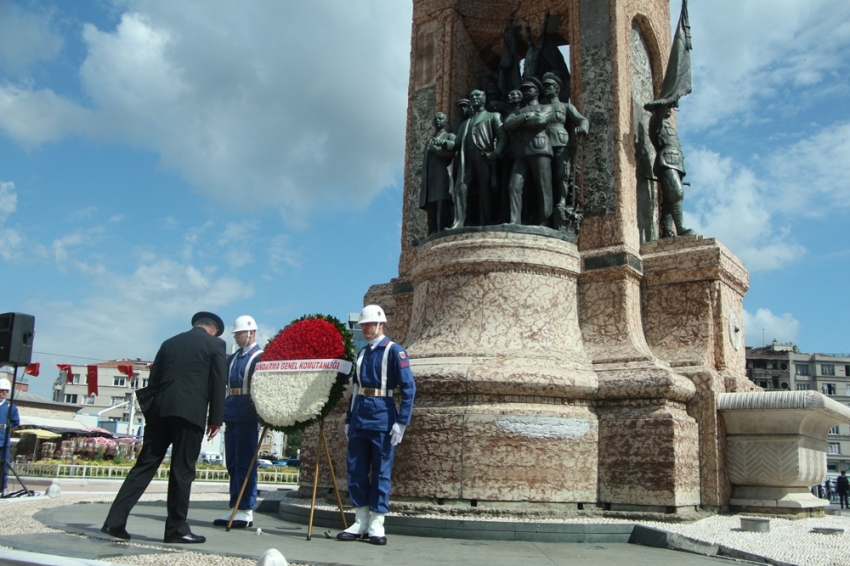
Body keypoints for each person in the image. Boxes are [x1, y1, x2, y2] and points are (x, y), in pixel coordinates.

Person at [101, 312, 227, 544]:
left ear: (195, 325)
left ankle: (114, 522)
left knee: (144, 465)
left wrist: (152, 411)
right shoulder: (216, 344)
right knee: (182, 470)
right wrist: (216, 418)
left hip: (159, 411)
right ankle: (176, 529)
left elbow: (155, 379)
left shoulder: (169, 342)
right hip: (189, 413)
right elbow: (219, 381)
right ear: (214, 330)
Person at [337, 305, 415, 546]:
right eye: (363, 325)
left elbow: (408, 388)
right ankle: (360, 518)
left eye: (369, 324)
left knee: (381, 470)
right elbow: (356, 390)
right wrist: (350, 420)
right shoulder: (361, 354)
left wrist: (402, 422)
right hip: (360, 416)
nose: (365, 328)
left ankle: (377, 522)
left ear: (381, 324)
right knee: (356, 469)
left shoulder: (395, 351)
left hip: (383, 416)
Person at [213, 315, 264, 529]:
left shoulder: (260, 357)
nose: (236, 336)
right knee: (233, 463)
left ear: (250, 332)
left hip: (247, 412)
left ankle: (246, 509)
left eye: (239, 333)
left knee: (246, 463)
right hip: (232, 411)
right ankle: (235, 504)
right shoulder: (233, 358)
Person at [443, 89, 505, 227]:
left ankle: (485, 221)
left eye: (478, 95)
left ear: (484, 98)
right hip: (467, 159)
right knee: (461, 189)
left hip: (484, 157)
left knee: (485, 190)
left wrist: (495, 153)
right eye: (471, 96)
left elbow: (503, 137)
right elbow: (457, 143)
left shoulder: (493, 116)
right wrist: (444, 143)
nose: (474, 98)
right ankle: (458, 222)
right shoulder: (466, 123)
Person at [502, 76, 555, 226]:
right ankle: (514, 221)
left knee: (543, 187)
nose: (525, 92)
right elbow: (508, 125)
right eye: (523, 89)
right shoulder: (520, 111)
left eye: (528, 89)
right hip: (520, 152)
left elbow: (539, 121)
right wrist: (526, 116)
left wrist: (520, 121)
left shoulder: (546, 107)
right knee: (514, 186)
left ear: (536, 91)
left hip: (540, 149)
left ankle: (545, 222)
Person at [541, 72, 588, 232]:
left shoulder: (565, 106)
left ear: (556, 89)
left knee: (562, 174)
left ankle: (561, 202)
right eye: (544, 86)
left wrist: (583, 127)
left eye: (548, 86)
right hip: (543, 144)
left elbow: (581, 119)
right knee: (545, 176)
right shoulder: (540, 107)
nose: (545, 89)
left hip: (561, 142)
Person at [645, 101, 696, 238]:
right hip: (666, 162)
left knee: (669, 200)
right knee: (676, 193)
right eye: (667, 106)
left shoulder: (668, 126)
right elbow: (660, 112)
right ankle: (681, 228)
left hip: (676, 163)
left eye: (670, 107)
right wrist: (670, 95)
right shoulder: (656, 121)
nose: (670, 109)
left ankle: (667, 231)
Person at [419, 113, 456, 235]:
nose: (438, 120)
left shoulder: (450, 136)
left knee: (441, 200)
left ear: (445, 122)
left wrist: (438, 151)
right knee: (431, 203)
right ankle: (432, 230)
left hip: (443, 173)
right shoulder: (429, 140)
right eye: (436, 119)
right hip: (430, 176)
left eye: (441, 118)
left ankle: (441, 228)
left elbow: (452, 153)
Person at [0, 377, 21, 493]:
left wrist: (5, 426)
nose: (4, 392)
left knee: (3, 467)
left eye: (6, 391)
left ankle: (2, 487)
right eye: (2, 390)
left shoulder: (10, 407)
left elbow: (16, 421)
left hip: (3, 442)